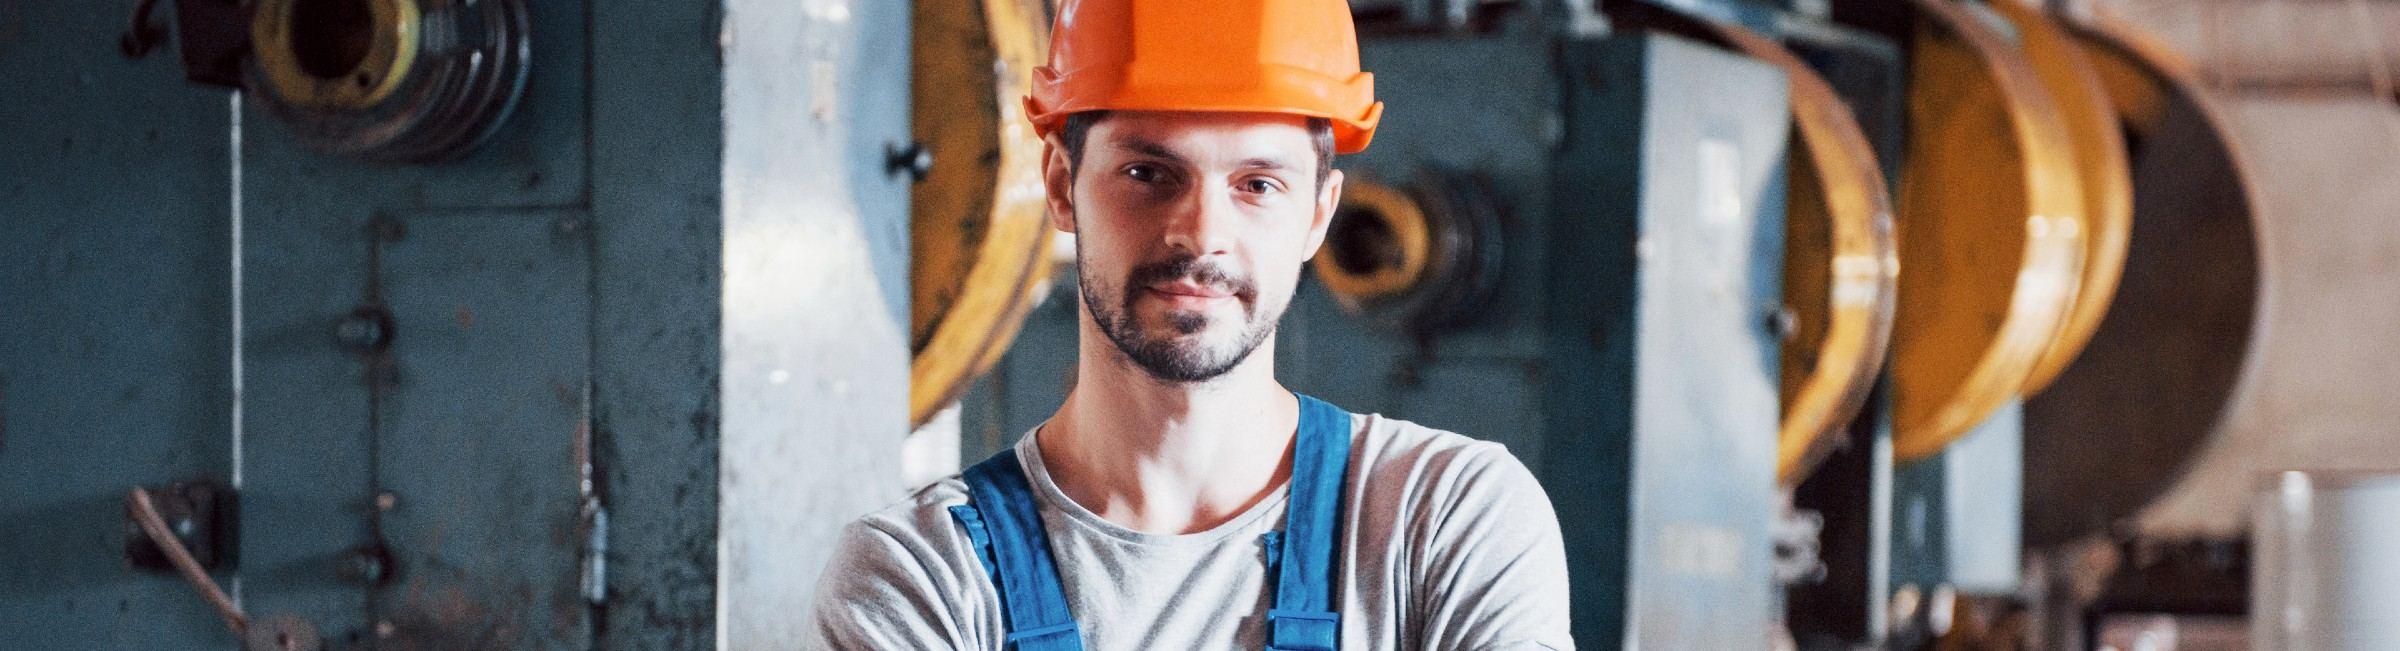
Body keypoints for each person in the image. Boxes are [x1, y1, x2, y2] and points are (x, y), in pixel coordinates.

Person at [808, 1, 1572, 648]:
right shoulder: (924, 576)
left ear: (1318, 214)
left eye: (1257, 184)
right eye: (1148, 173)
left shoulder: (1443, 520)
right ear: (1061, 185)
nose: (1200, 232)